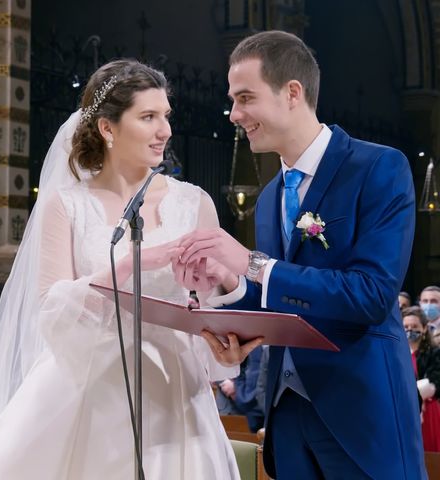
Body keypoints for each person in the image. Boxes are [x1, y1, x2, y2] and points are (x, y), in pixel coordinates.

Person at [0, 59, 261, 479]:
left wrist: (221, 296)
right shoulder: (66, 206)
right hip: (87, 389)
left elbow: (215, 304)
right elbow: (50, 309)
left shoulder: (194, 203)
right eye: (148, 117)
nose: (165, 131)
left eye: (166, 116)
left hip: (173, 390)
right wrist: (130, 266)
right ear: (107, 128)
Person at [173, 30, 426, 478]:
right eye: (232, 100)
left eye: (245, 98)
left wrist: (250, 262)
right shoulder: (271, 196)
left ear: (292, 93)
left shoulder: (378, 168)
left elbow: (370, 295)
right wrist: (228, 288)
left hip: (361, 410)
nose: (234, 114)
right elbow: (278, 299)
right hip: (287, 416)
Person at [402, 306, 440, 452]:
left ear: (424, 328)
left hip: (428, 411)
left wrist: (417, 393)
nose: (410, 330)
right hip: (405, 410)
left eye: (415, 326)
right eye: (405, 327)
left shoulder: (435, 352)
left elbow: (436, 381)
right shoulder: (397, 354)